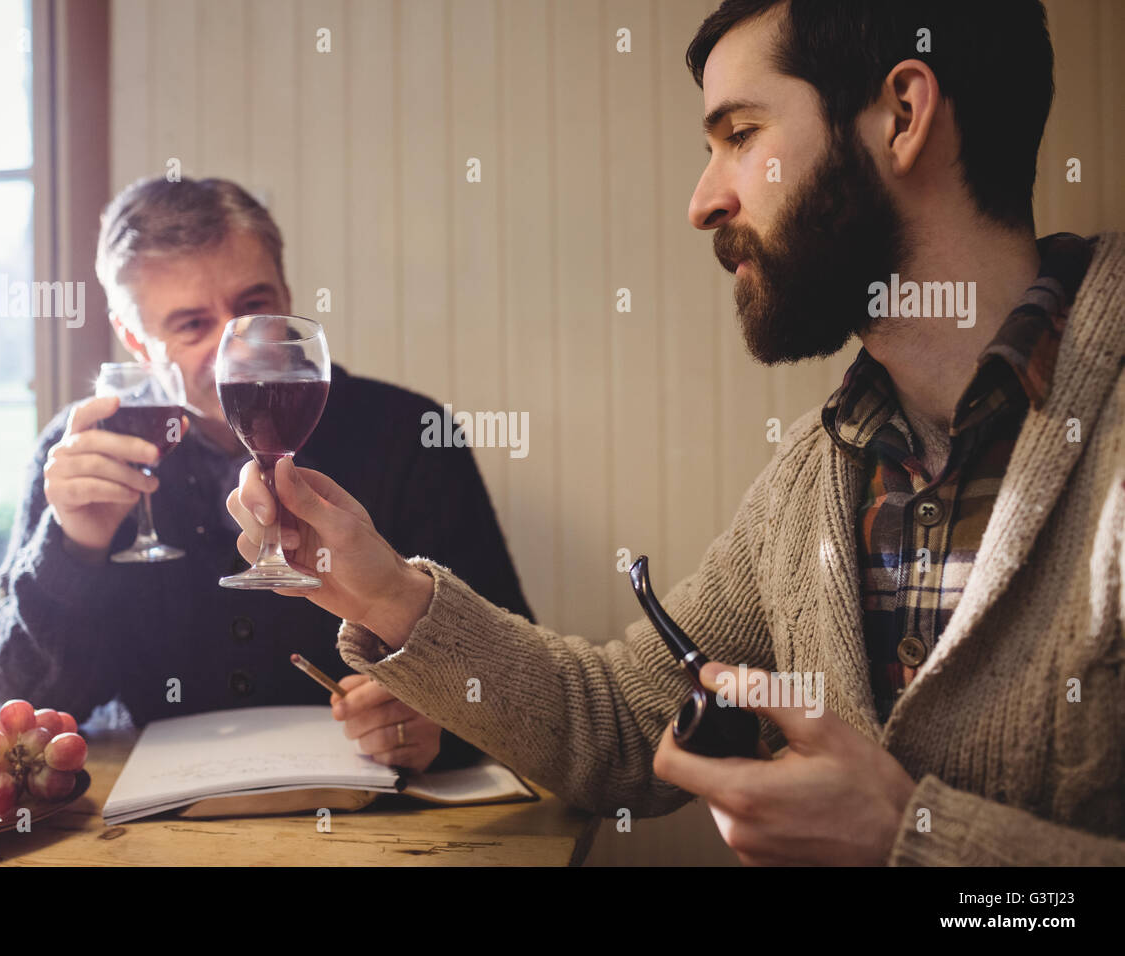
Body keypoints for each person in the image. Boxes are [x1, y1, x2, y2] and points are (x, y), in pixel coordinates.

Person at [230, 0, 1125, 864]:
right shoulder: (817, 478)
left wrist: (911, 846)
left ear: (901, 114)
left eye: (740, 136)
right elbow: (619, 726)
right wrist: (383, 592)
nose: (703, 202)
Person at [0, 176, 534, 772]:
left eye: (253, 308)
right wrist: (74, 547)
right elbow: (29, 704)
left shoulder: (411, 432)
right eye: (192, 325)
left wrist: (441, 727)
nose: (234, 349)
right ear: (135, 339)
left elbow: (516, 688)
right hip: (146, 828)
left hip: (380, 822)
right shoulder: (84, 449)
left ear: (287, 292)